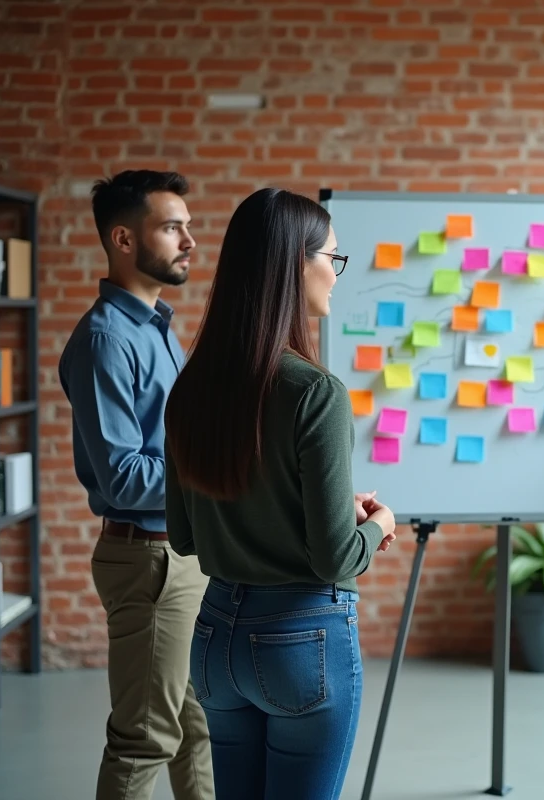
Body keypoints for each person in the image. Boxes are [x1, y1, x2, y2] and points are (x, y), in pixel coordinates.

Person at [163, 187, 397, 799]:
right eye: (333, 259)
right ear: (298, 263)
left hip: (214, 641)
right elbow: (334, 559)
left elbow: (185, 535)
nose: (336, 275)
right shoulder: (315, 391)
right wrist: (377, 525)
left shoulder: (191, 389)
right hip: (302, 639)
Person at [58, 170, 214, 800]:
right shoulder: (105, 341)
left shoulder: (156, 329)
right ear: (124, 238)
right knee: (144, 738)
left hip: (181, 553)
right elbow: (124, 476)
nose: (189, 241)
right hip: (148, 561)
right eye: (172, 226)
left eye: (188, 226)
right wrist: (218, 474)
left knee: (199, 725)